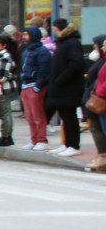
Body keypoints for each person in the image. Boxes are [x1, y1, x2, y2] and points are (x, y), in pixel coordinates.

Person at [44, 18, 87, 156]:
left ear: (61, 28)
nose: (54, 31)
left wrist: (60, 79)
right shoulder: (63, 43)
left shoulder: (72, 43)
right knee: (64, 115)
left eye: (56, 29)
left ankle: (73, 145)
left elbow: (76, 64)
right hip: (61, 87)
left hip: (69, 87)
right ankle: (67, 143)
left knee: (70, 116)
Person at [19, 26, 51, 150]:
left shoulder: (42, 51)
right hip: (26, 85)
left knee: (38, 115)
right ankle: (34, 140)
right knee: (29, 116)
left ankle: (42, 140)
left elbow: (44, 70)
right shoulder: (26, 51)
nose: (24, 37)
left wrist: (38, 86)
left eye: (26, 34)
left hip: (34, 86)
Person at [0, 35, 19, 146]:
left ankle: (6, 136)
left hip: (3, 88)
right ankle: (6, 135)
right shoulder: (1, 55)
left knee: (4, 113)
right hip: (1, 88)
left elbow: (2, 75)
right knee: (3, 112)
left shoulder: (5, 57)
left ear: (4, 45)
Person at [83, 34, 106, 173]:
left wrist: (99, 93)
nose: (101, 48)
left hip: (102, 100)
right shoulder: (102, 61)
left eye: (103, 46)